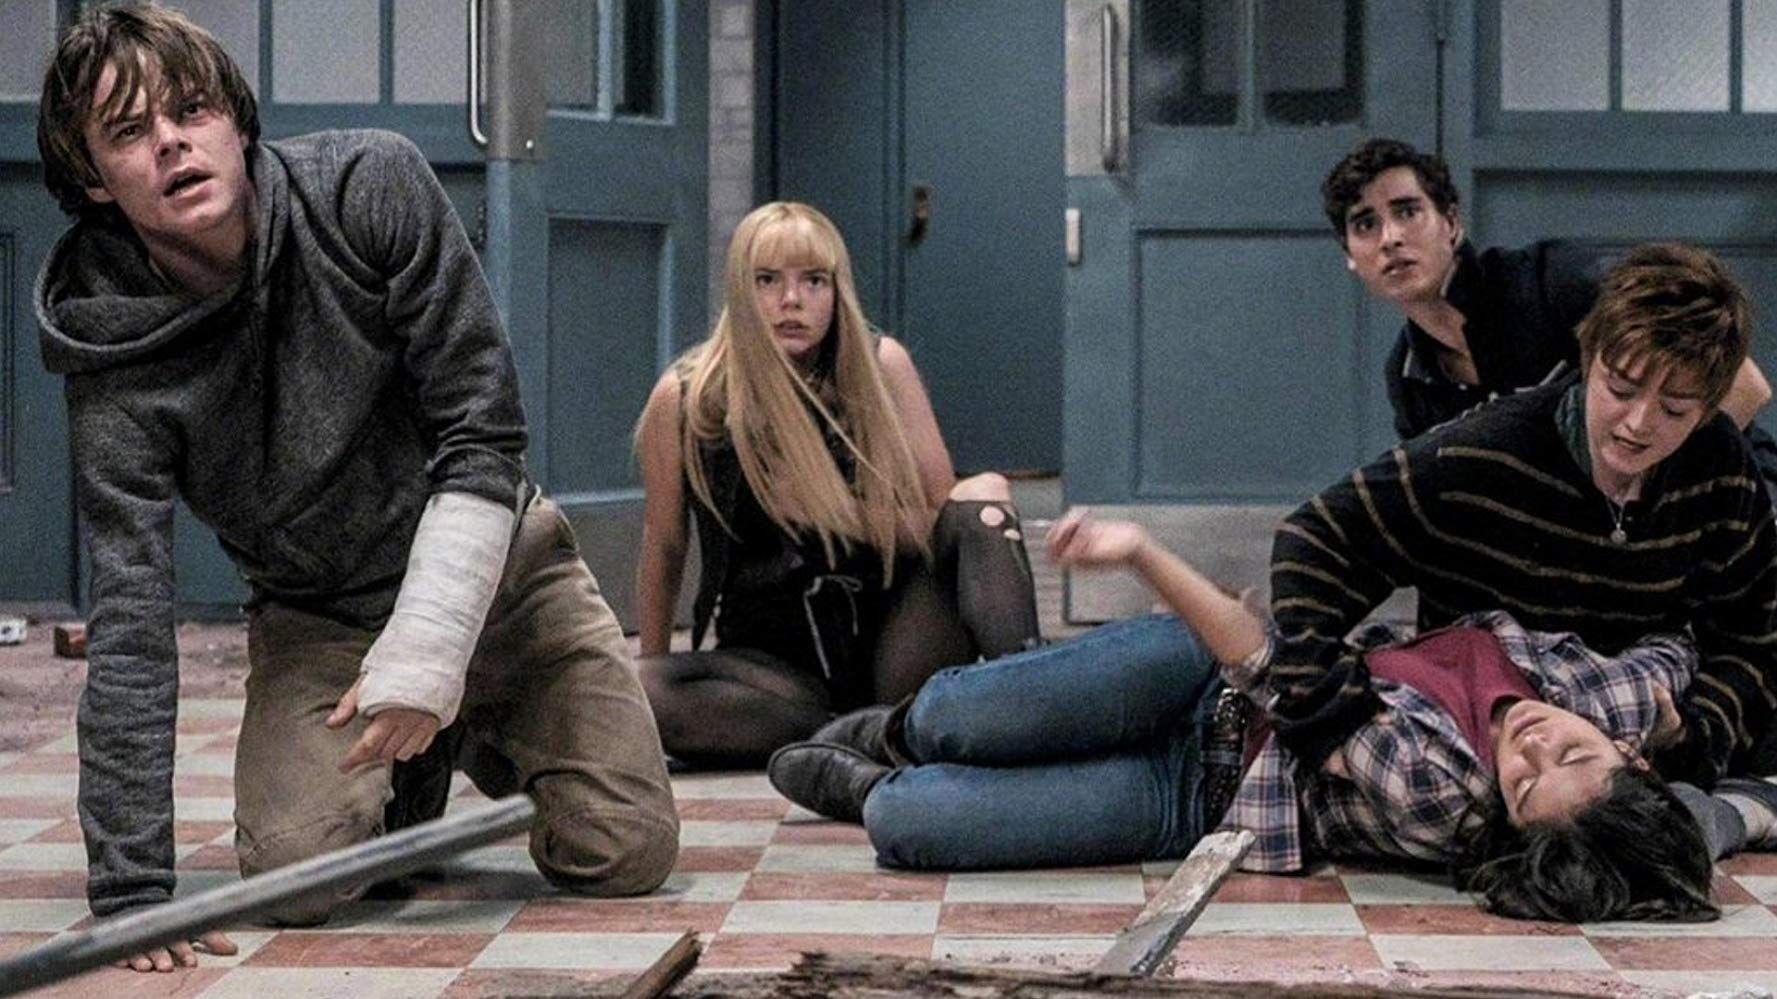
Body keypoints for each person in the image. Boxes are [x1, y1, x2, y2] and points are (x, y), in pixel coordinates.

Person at [34, 2, 677, 972]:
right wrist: (132, 892)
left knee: (625, 852)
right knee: (295, 877)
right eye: (128, 132)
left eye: (192, 110)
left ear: (236, 122)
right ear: (91, 179)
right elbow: (131, 614)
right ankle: (418, 765)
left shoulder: (367, 186)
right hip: (321, 611)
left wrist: (429, 653)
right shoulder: (110, 346)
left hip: (502, 575)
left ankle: (470, 714)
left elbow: (483, 429)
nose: (170, 142)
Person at [768, 510, 1765, 921]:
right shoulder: (1616, 702)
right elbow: (1693, 646)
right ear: (1627, 753)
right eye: (1569, 753)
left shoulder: (1438, 792)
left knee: (910, 822)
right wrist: (1688, 728)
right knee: (953, 716)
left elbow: (1271, 668)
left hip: (1205, 788)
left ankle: (878, 782)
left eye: (1522, 783)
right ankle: (894, 730)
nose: (1532, 745)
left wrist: (1142, 552)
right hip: (1186, 677)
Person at [1268, 243, 1777, 794]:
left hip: (1625, 741)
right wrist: (1329, 712)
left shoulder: (1720, 467)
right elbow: (1316, 537)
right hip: (1491, 748)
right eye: (1619, 389)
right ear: (1589, 360)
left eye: (1674, 409)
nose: (1637, 423)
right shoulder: (1484, 452)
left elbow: (1753, 636)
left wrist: (1692, 738)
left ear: (1707, 408)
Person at [633, 201, 1040, 767]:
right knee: (626, 690)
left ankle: (1034, 714)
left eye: (813, 281)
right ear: (740, 291)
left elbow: (940, 527)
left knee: (983, 502)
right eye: (767, 280)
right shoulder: (686, 398)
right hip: (773, 670)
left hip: (894, 641)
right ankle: (876, 736)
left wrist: (831, 512)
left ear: (837, 291)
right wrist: (649, 674)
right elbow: (665, 546)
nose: (791, 300)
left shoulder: (882, 366)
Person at [1323, 137, 1776, 454]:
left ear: (1452, 224)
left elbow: (1746, 389)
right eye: (1366, 224)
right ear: (1350, 256)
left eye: (1407, 211)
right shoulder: (1410, 376)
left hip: (1728, 497)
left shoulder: (1554, 281)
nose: (1390, 238)